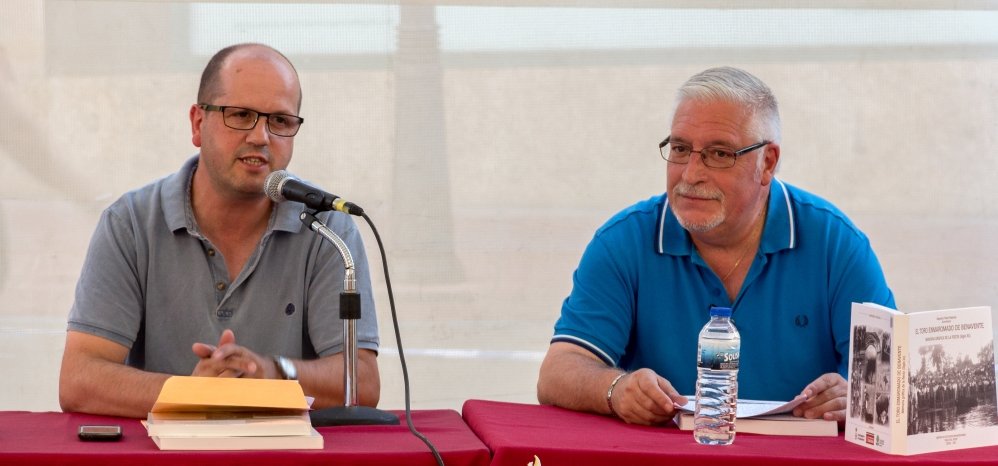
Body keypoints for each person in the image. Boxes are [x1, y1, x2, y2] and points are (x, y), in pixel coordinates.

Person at [536, 66, 894, 426]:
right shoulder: (623, 242)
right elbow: (558, 372)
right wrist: (614, 388)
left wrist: (855, 395)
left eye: (719, 154)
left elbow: (893, 381)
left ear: (767, 163)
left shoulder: (836, 244)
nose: (691, 174)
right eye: (680, 149)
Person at [59, 43, 381, 418]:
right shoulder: (130, 223)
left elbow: (362, 382)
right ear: (198, 124)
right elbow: (79, 379)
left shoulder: (327, 227)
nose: (261, 136)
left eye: (280, 121)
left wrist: (273, 373)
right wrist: (193, 394)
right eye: (240, 115)